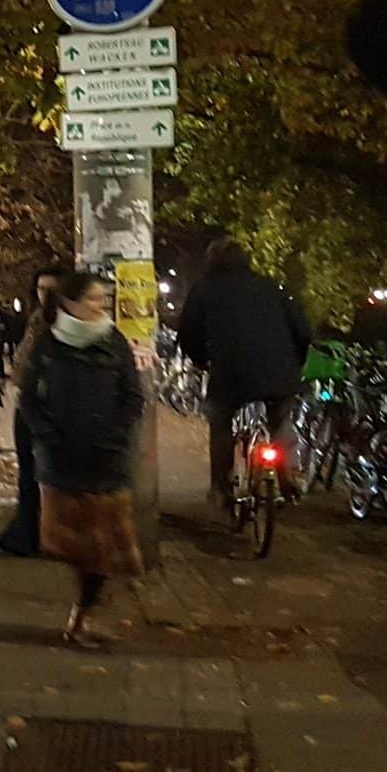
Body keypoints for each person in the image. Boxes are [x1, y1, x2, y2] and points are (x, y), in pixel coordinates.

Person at [19, 269, 147, 648]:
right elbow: (29, 400)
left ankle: (84, 615)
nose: (103, 304)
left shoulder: (115, 341)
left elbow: (132, 397)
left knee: (105, 544)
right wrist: (48, 437)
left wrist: (116, 435)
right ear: (71, 303)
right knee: (77, 545)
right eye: (95, 298)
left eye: (104, 298)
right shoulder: (48, 345)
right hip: (62, 460)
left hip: (106, 458)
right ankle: (84, 616)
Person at [179, 238, 311, 505]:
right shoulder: (270, 286)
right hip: (280, 371)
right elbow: (302, 329)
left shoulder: (204, 289)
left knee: (220, 421)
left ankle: (220, 486)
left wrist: (200, 360)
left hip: (230, 374)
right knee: (281, 420)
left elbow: (188, 332)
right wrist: (295, 361)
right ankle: (288, 478)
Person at [0, 267, 67, 559]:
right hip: (28, 404)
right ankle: (29, 531)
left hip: (44, 406)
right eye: (40, 289)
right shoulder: (38, 318)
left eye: (51, 289)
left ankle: (37, 534)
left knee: (44, 474)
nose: (44, 295)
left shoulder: (59, 322)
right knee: (28, 472)